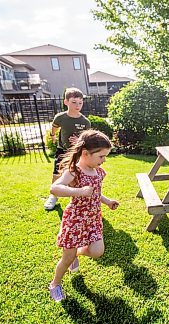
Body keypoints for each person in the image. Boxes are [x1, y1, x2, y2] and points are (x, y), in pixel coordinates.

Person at [48, 129, 119, 302]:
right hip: (76, 220)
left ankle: (76, 255)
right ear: (85, 153)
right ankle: (55, 284)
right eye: (101, 156)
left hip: (93, 219)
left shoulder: (98, 172)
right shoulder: (74, 171)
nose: (104, 161)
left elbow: (95, 194)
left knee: (97, 251)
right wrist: (79, 191)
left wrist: (107, 201)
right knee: (67, 259)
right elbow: (54, 188)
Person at [44, 87, 91, 210]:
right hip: (62, 151)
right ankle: (53, 196)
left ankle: (80, 196)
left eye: (80, 103)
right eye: (74, 102)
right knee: (57, 173)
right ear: (66, 102)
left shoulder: (85, 121)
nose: (77, 105)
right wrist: (53, 136)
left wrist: (79, 141)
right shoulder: (60, 117)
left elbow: (86, 138)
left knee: (78, 174)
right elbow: (54, 128)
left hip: (77, 152)